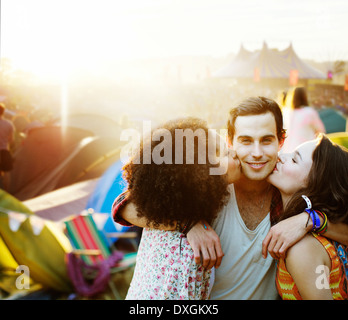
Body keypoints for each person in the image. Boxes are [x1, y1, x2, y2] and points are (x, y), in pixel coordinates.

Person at [114, 96, 348, 299]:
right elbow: (126, 205)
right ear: (231, 141)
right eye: (246, 141)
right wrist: (187, 224)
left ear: (281, 141)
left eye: (266, 140)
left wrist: (308, 220)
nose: (257, 153)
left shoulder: (290, 193)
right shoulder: (208, 190)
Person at [116, 117, 241, 299]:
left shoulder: (164, 209)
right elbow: (122, 204)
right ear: (197, 174)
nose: (234, 153)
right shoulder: (188, 253)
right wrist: (187, 225)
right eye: (222, 154)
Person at [268, 134, 348, 299]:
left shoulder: (302, 248)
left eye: (294, 160)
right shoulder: (324, 233)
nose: (281, 157)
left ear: (314, 183)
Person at [282, 87, 325, 153]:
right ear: (304, 97)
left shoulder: (285, 112)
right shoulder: (309, 112)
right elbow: (321, 131)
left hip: (287, 151)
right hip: (305, 152)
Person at [0, 103, 15, 188]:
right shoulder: (9, 124)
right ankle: (7, 193)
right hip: (5, 151)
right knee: (6, 175)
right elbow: (11, 140)